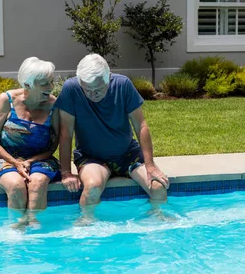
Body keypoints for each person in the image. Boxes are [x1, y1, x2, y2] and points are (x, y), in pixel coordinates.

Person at [55, 54, 169, 217]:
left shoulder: (123, 85)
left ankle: (156, 222)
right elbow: (66, 133)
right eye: (87, 90)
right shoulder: (71, 89)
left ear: (108, 77)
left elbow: (141, 125)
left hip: (127, 154)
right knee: (93, 187)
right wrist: (65, 172)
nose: (93, 95)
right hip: (92, 157)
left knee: (157, 187)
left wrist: (150, 166)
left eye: (98, 89)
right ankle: (87, 225)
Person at [0, 57, 60, 226]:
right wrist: (15, 163)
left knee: (38, 183)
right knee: (16, 186)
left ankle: (36, 230)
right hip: (3, 157)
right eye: (44, 83)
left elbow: (53, 145)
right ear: (27, 85)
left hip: (40, 158)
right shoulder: (6, 100)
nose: (51, 87)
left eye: (51, 82)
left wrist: (31, 161)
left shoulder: (54, 105)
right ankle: (16, 230)